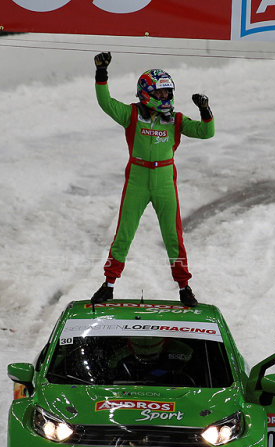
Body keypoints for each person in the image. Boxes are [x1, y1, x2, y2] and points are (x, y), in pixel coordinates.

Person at [89, 52, 214, 308]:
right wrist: (102, 73)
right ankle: (109, 284)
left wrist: (205, 109)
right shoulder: (131, 114)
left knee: (173, 237)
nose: (165, 97)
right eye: (160, 94)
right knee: (124, 234)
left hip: (165, 182)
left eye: (168, 93)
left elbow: (206, 132)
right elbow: (105, 102)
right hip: (137, 179)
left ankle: (184, 287)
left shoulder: (176, 119)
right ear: (146, 93)